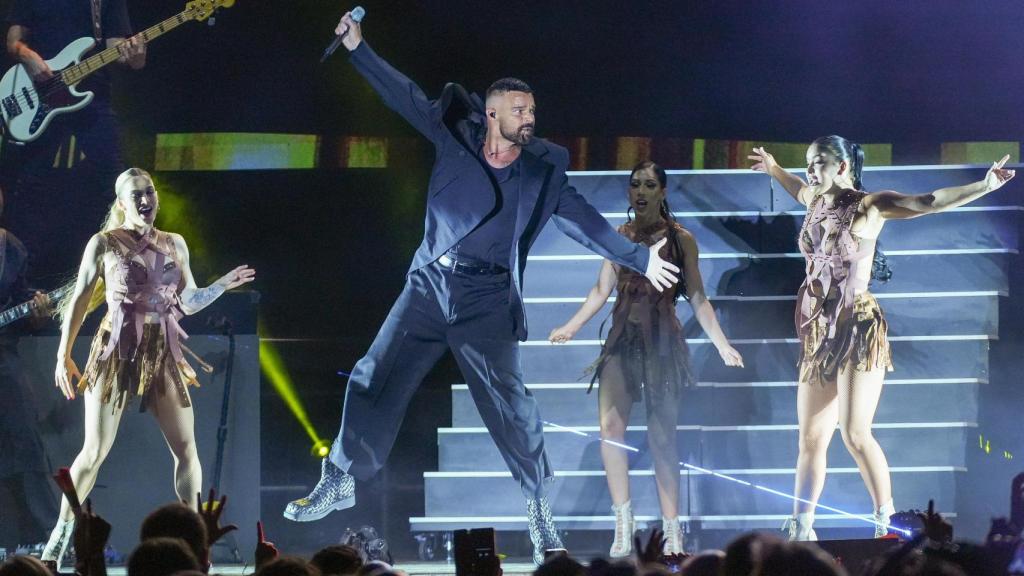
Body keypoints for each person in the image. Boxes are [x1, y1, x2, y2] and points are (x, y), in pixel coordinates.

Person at [282, 11, 680, 564]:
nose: (530, 117)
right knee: (372, 377)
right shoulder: (453, 134)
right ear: (491, 113)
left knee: (512, 408)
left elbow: (586, 223)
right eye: (520, 109)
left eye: (533, 110)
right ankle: (341, 477)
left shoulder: (541, 172)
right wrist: (358, 48)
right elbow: (404, 96)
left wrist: (639, 256)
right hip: (427, 286)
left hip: (486, 300)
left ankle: (539, 511)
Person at [749, 137, 1015, 540]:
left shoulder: (870, 205)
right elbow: (796, 187)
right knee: (810, 436)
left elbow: (928, 201)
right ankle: (802, 527)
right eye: (808, 162)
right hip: (820, 330)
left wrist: (984, 185)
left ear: (841, 166)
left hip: (857, 325)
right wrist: (773, 168)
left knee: (855, 432)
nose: (810, 170)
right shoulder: (814, 200)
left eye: (818, 162)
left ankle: (884, 521)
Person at [40, 167, 255, 566]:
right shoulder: (103, 244)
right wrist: (62, 354)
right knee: (94, 450)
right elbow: (81, 299)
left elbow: (187, 302)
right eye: (136, 194)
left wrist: (221, 285)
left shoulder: (175, 243)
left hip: (162, 349)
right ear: (122, 204)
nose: (145, 200)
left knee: (187, 448)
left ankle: (193, 542)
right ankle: (58, 537)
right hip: (116, 349)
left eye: (150, 192)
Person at [548, 161, 744, 556]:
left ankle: (672, 530)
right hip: (622, 340)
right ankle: (623, 522)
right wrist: (571, 326)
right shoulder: (617, 236)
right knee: (609, 427)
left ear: (662, 192)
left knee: (662, 438)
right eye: (635, 184)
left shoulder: (681, 239)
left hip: (661, 344)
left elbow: (699, 297)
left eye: (649, 185)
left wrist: (722, 343)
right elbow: (600, 290)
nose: (640, 191)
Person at [4, 0, 146, 272]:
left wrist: (135, 55)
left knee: (115, 181)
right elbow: (13, 42)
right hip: (37, 94)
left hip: (92, 97)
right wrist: (28, 55)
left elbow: (117, 48)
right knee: (27, 184)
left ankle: (125, 262)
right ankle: (18, 274)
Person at [0, 185, 59, 554]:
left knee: (26, 442)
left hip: (3, 356)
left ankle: (45, 538)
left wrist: (36, 311)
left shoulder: (11, 247)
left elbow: (19, 300)